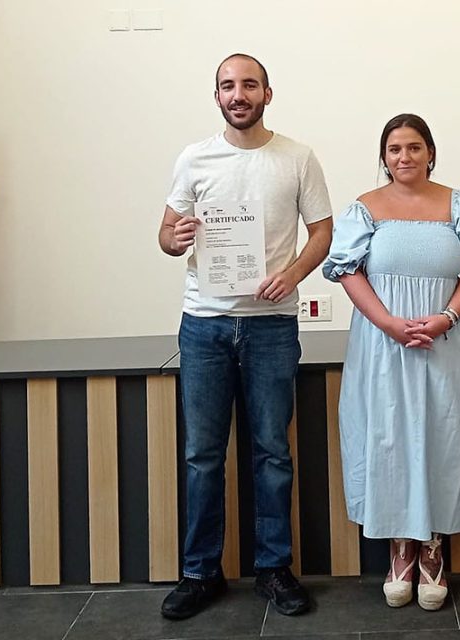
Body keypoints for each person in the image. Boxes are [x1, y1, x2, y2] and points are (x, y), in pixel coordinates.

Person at [156, 53, 333, 620]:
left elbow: (322, 232)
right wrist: (176, 235)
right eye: (228, 86)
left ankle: (274, 569)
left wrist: (293, 275)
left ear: (267, 93)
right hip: (204, 324)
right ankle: (199, 572)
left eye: (249, 85)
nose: (239, 94)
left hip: (271, 328)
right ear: (217, 97)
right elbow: (164, 235)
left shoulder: (297, 158)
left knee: (272, 453)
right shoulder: (194, 158)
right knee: (202, 455)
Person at [323, 113, 460, 611]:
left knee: (442, 437)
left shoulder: (456, 203)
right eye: (396, 149)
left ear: (430, 152)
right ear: (384, 156)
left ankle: (434, 548)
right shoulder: (365, 208)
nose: (405, 157)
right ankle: (400, 547)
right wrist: (389, 324)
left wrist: (447, 315)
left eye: (415, 147)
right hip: (383, 344)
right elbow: (347, 271)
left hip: (445, 340)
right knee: (389, 437)